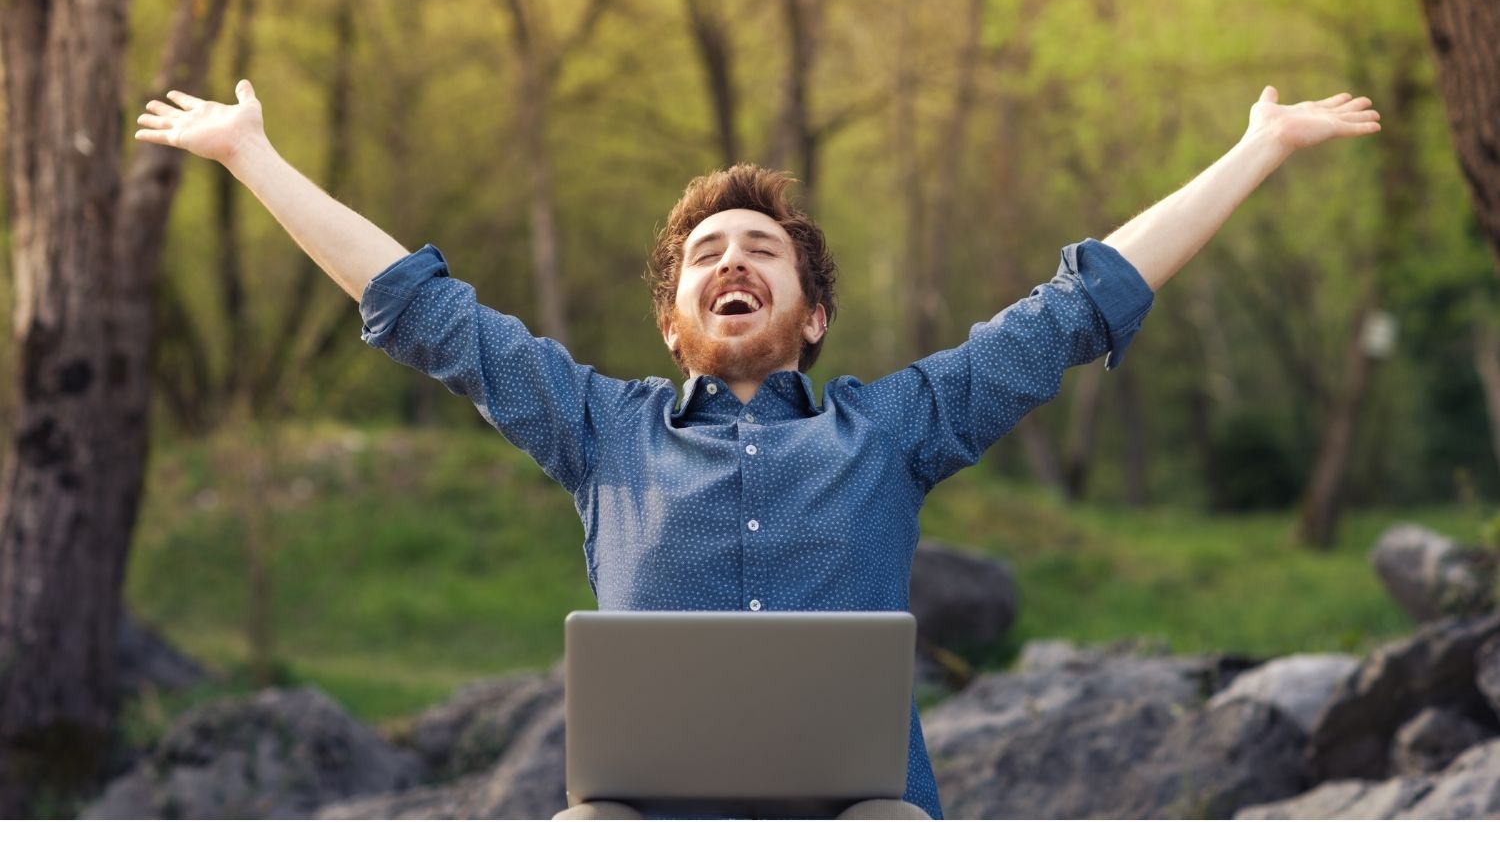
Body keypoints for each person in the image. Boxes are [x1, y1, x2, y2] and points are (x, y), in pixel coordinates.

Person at [135, 79, 1382, 819]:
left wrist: (1259, 147)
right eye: (706, 256)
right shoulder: (598, 430)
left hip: (861, 817)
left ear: (813, 314)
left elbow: (1079, 307)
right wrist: (252, 155)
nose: (732, 260)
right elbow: (422, 307)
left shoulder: (894, 428)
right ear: (672, 321)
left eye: (762, 251)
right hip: (639, 821)